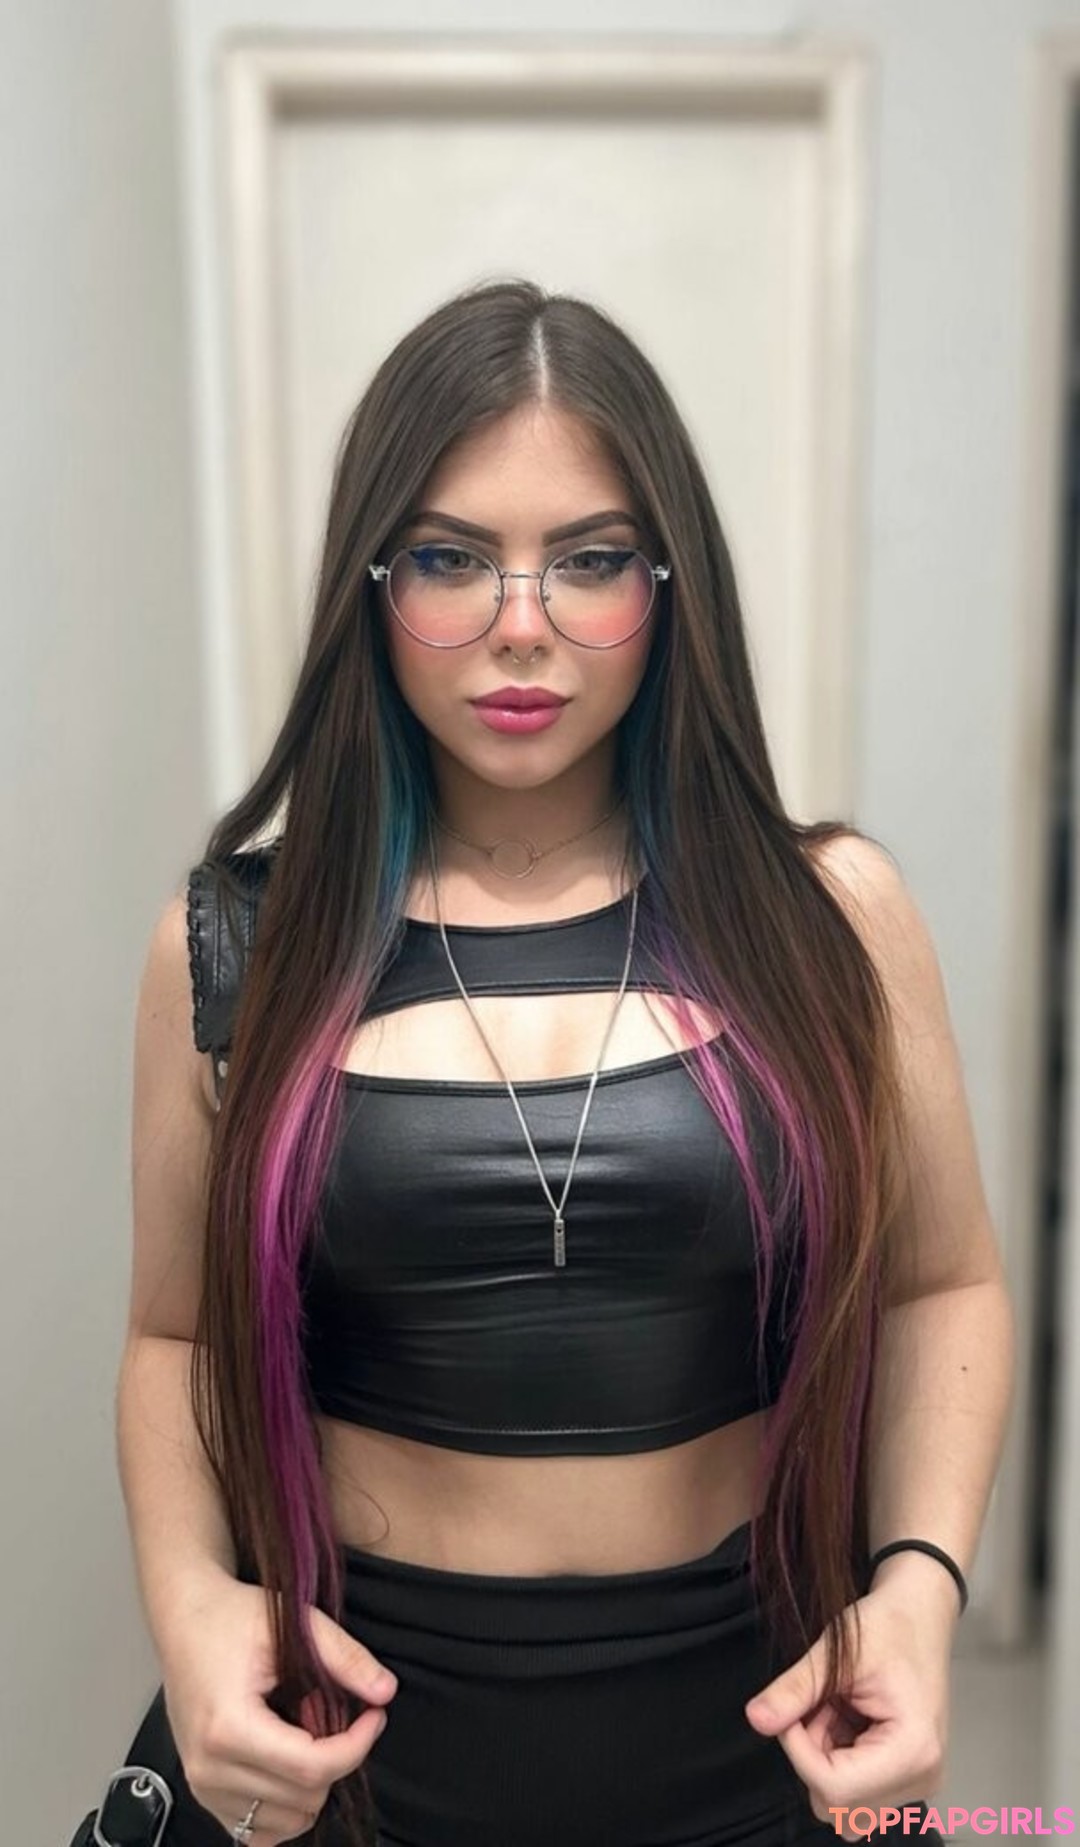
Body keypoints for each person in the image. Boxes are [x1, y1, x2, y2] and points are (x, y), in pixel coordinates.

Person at [118, 278, 1014, 1847]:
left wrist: (918, 1591)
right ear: (371, 582)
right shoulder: (242, 944)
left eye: (591, 561)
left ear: (670, 587)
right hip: (341, 1753)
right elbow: (174, 1337)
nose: (519, 626)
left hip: (766, 1733)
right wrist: (193, 1605)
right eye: (451, 559)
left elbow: (944, 1286)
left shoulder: (833, 918)